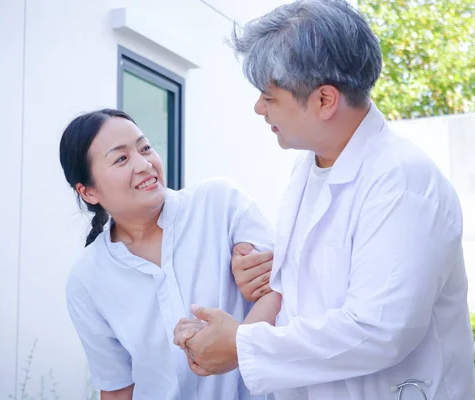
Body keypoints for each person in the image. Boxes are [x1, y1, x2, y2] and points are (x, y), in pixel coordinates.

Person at [173, 0, 475, 399]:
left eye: (269, 96)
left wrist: (240, 346)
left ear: (325, 100)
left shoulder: (403, 183)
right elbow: (288, 293)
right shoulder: (309, 168)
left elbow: (378, 332)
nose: (258, 108)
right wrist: (225, 336)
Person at [59, 108, 281, 400]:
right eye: (121, 158)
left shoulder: (220, 203)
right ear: (88, 192)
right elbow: (117, 389)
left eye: (145, 148)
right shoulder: (87, 279)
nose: (144, 164)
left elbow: (284, 287)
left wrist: (237, 346)